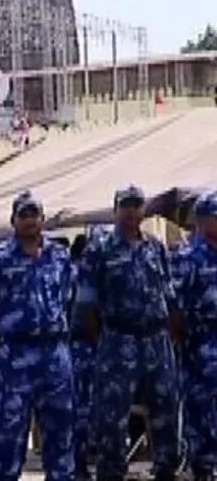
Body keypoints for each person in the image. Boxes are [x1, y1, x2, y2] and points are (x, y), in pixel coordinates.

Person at [76, 184, 182, 481]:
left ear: (143, 210)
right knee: (112, 417)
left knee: (166, 411)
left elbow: (170, 295)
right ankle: (111, 472)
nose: (132, 212)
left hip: (156, 341)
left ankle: (165, 469)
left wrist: (172, 334)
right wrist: (105, 339)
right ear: (115, 210)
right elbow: (86, 304)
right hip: (118, 340)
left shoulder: (155, 247)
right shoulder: (100, 249)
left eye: (137, 205)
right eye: (126, 206)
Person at [0, 192, 76, 481]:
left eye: (35, 214)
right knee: (9, 436)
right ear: (13, 220)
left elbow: (67, 299)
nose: (30, 220)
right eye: (24, 215)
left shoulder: (60, 256)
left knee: (60, 433)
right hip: (16, 357)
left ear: (43, 219)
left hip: (55, 357)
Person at [172, 190, 217, 480]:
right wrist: (186, 342)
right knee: (201, 415)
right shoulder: (188, 257)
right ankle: (202, 467)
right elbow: (173, 306)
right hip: (200, 348)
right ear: (202, 220)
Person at [68, 232, 96, 480]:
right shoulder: (76, 275)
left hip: (91, 346)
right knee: (81, 410)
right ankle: (78, 464)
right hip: (80, 347)